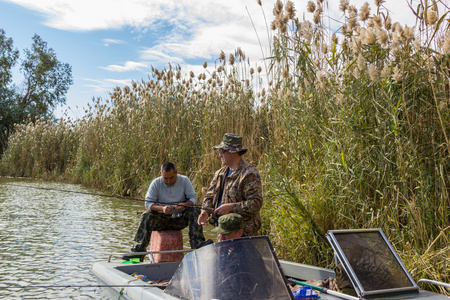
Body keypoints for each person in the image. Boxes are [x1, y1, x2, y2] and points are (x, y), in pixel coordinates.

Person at [124, 162, 212, 260]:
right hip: (161, 218)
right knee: (146, 216)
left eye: (172, 178)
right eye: (165, 178)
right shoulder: (156, 183)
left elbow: (193, 199)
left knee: (195, 210)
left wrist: (184, 205)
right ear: (161, 174)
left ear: (176, 173)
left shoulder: (184, 181)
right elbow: (148, 204)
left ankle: (197, 244)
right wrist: (162, 208)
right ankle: (138, 252)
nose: (169, 181)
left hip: (179, 218)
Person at [197, 133, 263, 236]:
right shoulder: (220, 173)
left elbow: (255, 203)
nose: (219, 155)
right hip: (222, 231)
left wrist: (231, 207)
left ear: (233, 151)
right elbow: (210, 195)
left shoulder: (249, 174)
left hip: (243, 233)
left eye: (222, 151)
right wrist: (205, 211)